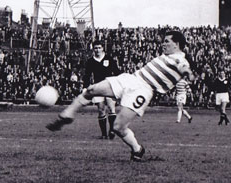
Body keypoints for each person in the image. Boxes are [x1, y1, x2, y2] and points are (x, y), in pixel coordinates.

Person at [47, 30, 195, 161]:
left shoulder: (179, 59)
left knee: (118, 127)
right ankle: (68, 115)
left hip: (143, 90)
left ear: (176, 44)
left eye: (167, 41)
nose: (163, 44)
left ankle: (137, 149)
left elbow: (183, 66)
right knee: (91, 90)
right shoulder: (168, 56)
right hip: (132, 78)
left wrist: (188, 72)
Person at [83, 40, 120, 139]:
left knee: (112, 108)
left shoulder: (109, 59)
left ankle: (112, 131)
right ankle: (104, 134)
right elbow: (87, 75)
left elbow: (116, 72)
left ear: (103, 48)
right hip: (98, 87)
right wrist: (85, 87)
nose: (98, 50)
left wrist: (120, 82)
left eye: (99, 48)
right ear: (93, 49)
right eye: (96, 48)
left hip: (110, 86)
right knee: (101, 110)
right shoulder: (90, 61)